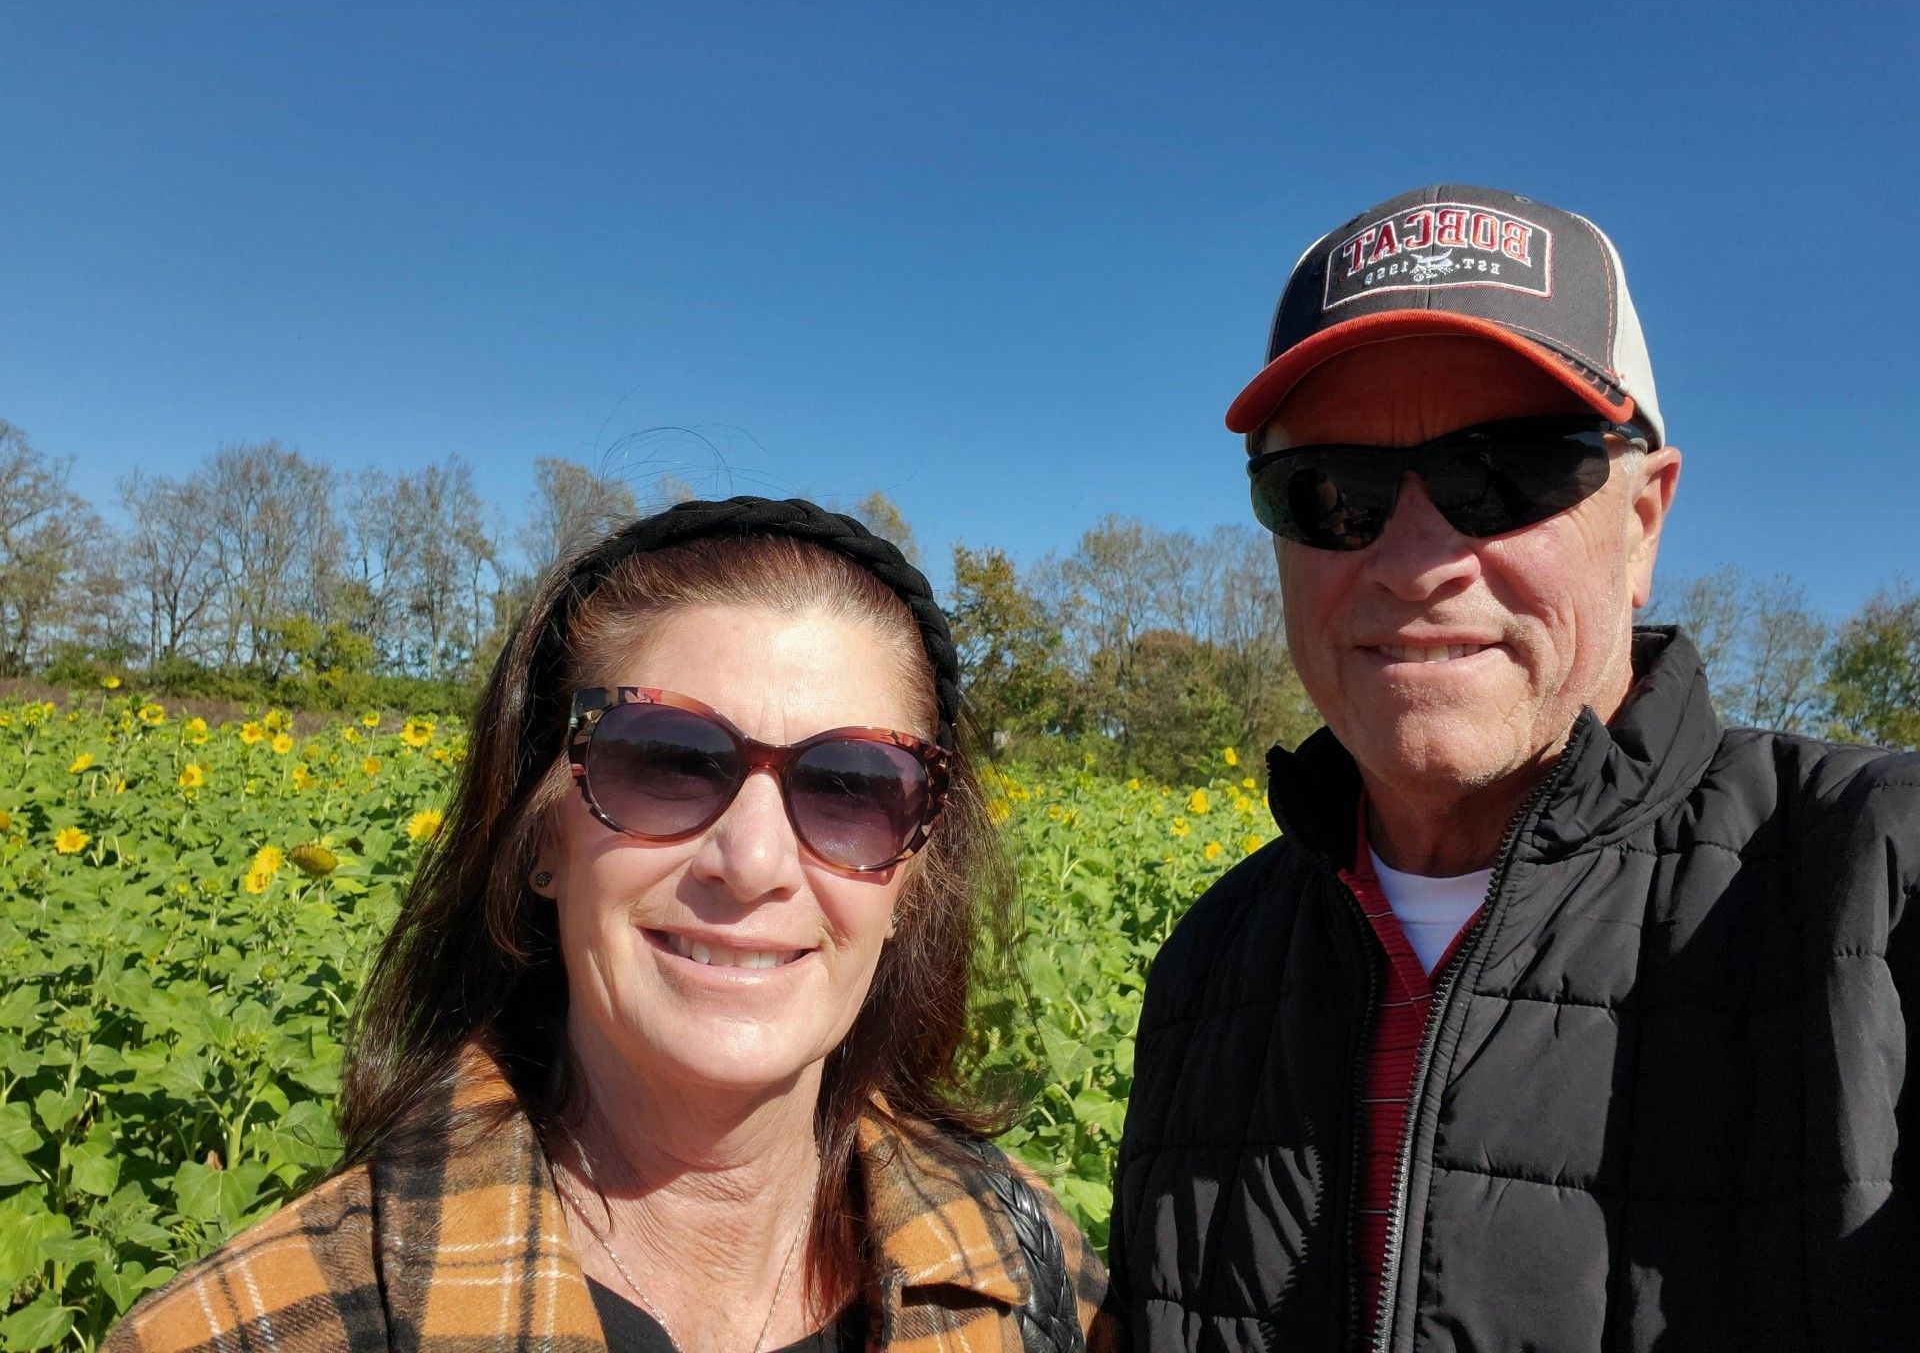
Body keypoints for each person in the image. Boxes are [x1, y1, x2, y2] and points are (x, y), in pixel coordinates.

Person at [1110, 185, 1920, 1351]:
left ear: (1644, 521)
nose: (1417, 558)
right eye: (1331, 492)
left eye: (1508, 474)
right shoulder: (1206, 965)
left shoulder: (1873, 883)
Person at [108, 498, 1119, 1353]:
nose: (754, 862)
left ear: (910, 878)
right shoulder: (255, 1326)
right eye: (668, 760)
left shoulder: (1037, 1281)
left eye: (854, 787)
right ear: (539, 836)